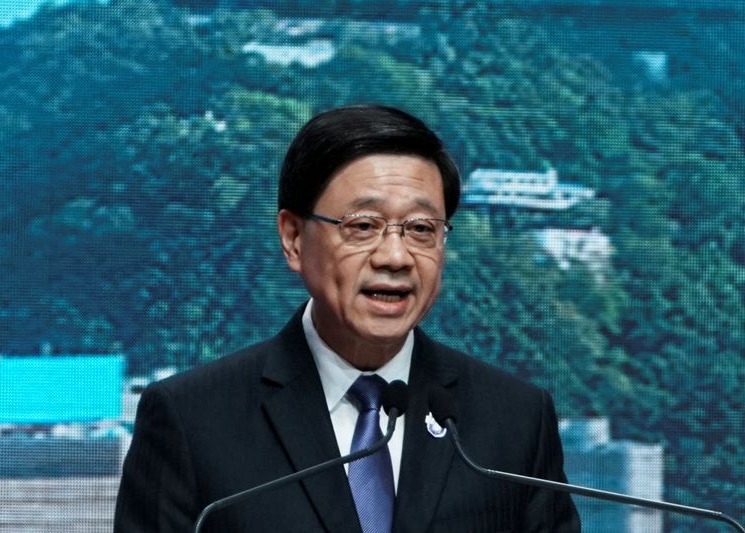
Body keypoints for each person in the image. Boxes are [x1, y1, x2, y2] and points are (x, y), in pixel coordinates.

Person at [114, 104, 580, 532]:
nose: (395, 256)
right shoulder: (191, 419)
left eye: (421, 229)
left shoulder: (516, 420)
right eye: (362, 227)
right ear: (294, 238)